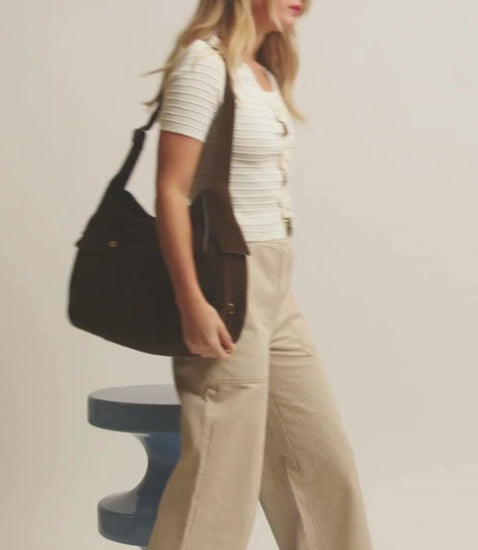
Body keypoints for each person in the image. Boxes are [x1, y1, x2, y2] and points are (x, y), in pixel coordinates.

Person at [144, 1, 375, 549]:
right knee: (219, 478)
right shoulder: (205, 65)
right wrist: (191, 301)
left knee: (320, 460)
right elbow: (172, 190)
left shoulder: (261, 72)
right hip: (226, 282)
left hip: (275, 283)